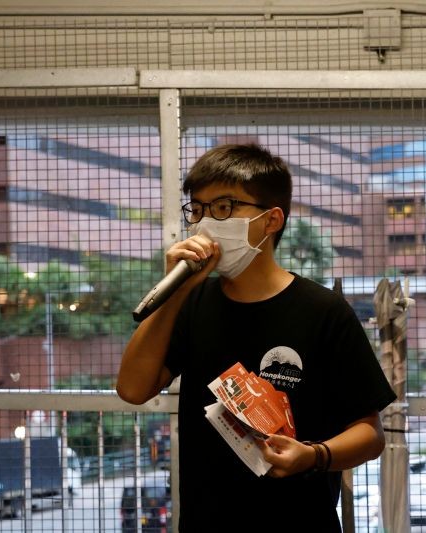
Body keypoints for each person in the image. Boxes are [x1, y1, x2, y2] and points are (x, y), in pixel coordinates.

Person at [117, 143, 396, 532]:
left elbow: (370, 434)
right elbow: (132, 388)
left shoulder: (324, 311)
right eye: (197, 209)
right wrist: (176, 290)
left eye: (224, 207)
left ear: (272, 220)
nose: (205, 223)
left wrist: (315, 455)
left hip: (300, 520)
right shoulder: (191, 303)